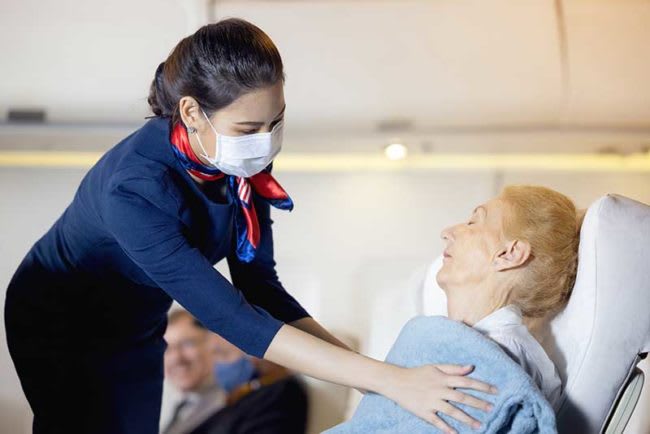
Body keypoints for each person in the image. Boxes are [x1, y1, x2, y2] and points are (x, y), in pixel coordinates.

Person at [4, 18, 494, 434]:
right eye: (247, 130)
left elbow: (260, 289)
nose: (265, 144)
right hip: (62, 321)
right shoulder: (134, 189)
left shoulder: (240, 166)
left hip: (136, 324)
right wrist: (390, 382)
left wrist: (378, 376)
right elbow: (233, 316)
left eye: (275, 124)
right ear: (192, 112)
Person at [436, 184, 582, 409]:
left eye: (473, 222)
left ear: (508, 254)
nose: (446, 232)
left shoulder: (499, 359)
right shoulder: (488, 349)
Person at [162, 309, 307, 434]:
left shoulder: (273, 394)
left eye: (188, 344)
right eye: (166, 348)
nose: (176, 357)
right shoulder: (180, 405)